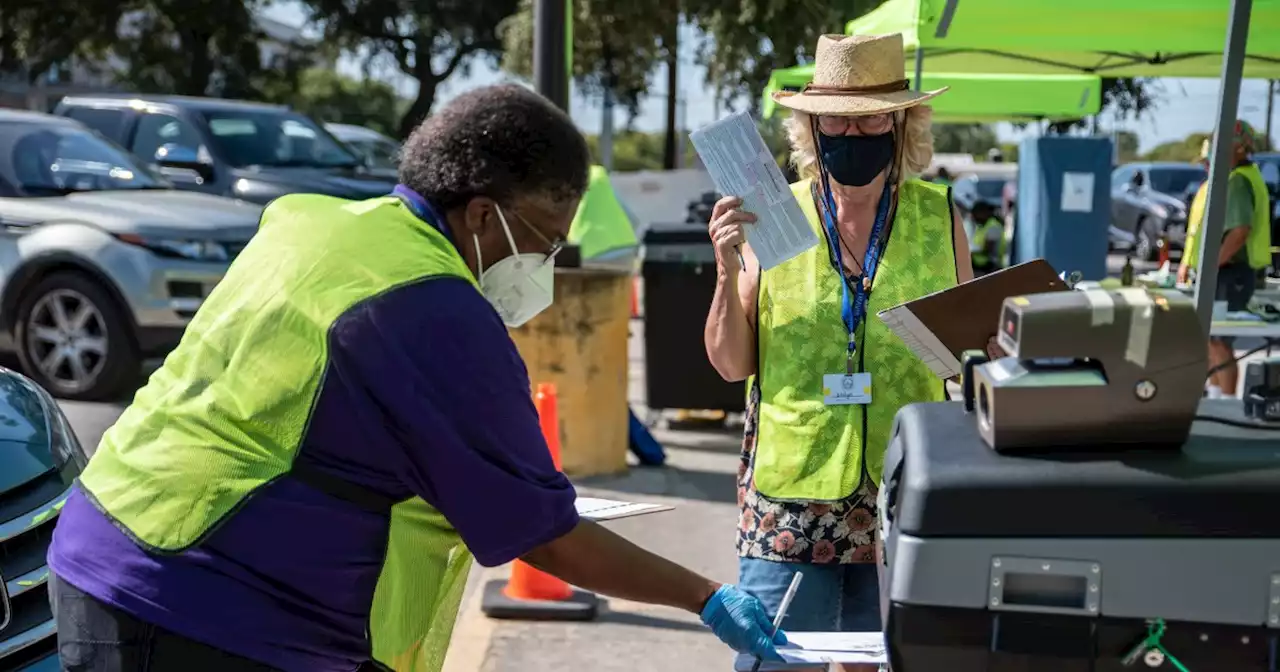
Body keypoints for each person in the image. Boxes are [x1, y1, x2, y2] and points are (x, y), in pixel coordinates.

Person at [46, 85, 785, 672]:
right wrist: (704, 595)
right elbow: (547, 538)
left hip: (108, 540)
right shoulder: (436, 309)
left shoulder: (313, 223)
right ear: (481, 215)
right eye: (545, 241)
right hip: (201, 604)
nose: (548, 265)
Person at [703, 33, 975, 671]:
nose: (854, 132)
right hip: (790, 499)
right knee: (774, 662)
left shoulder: (939, 218)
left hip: (905, 487)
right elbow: (730, 365)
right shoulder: (772, 216)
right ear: (811, 127)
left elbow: (964, 354)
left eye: (872, 116)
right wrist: (723, 267)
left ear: (901, 122)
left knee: (889, 663)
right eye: (836, 119)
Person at [1177, 120, 1272, 397]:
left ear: (1241, 148)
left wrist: (1210, 267)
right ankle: (1216, 396)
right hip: (1227, 272)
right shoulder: (1235, 178)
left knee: (1219, 341)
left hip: (1230, 273)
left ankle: (1226, 402)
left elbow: (1239, 232)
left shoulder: (1238, 181)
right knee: (1212, 339)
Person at [967, 199, 1005, 275]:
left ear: (983, 212)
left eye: (975, 214)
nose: (974, 218)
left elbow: (988, 249)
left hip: (991, 268)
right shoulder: (981, 226)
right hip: (979, 266)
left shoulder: (993, 226)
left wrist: (972, 250)